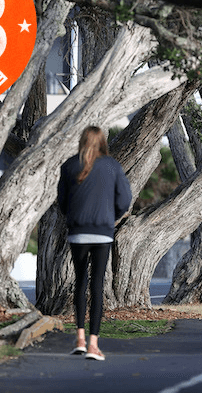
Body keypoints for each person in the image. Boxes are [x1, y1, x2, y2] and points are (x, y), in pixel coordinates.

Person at [57, 126, 132, 361]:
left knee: (80, 282)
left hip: (78, 232)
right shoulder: (112, 166)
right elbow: (125, 200)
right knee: (97, 285)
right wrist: (111, 217)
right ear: (102, 142)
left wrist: (74, 216)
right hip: (102, 233)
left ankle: (79, 339)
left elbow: (61, 203)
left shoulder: (69, 165)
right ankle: (93, 345)